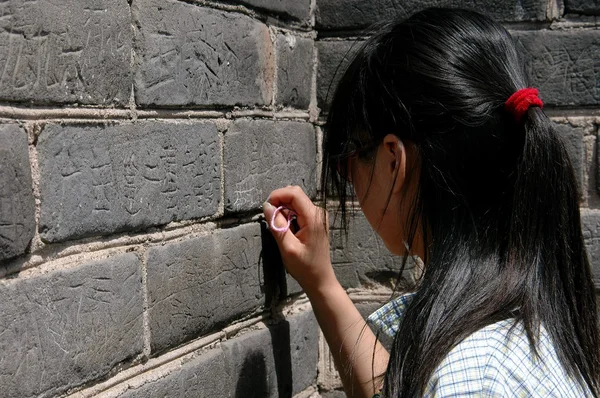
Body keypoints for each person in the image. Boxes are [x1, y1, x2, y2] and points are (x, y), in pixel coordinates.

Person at [262, 8, 600, 398]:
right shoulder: (523, 325)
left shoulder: (474, 380)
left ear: (393, 159)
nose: (348, 180)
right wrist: (321, 283)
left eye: (347, 162)